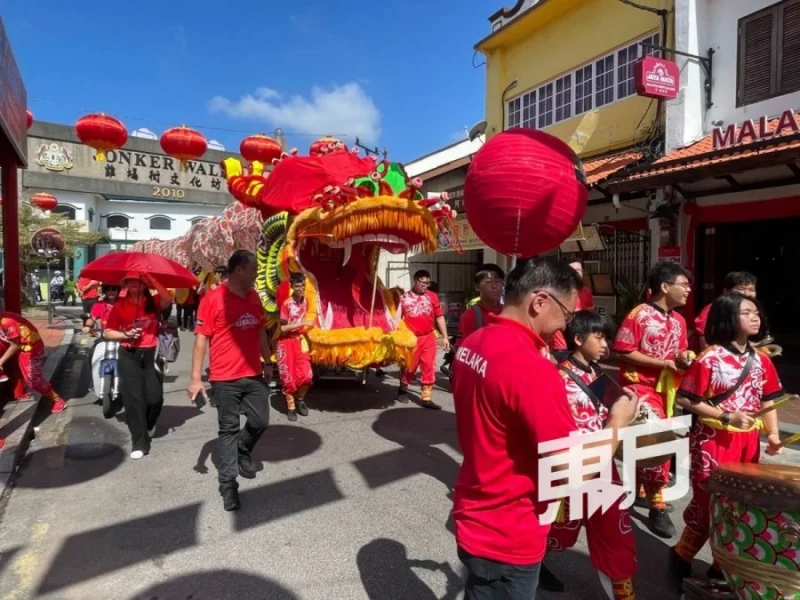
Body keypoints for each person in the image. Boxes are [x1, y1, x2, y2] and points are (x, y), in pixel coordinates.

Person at [451, 257, 641, 600]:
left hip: (477, 507)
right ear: (539, 301)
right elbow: (569, 468)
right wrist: (617, 422)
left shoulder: (473, 343)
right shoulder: (531, 369)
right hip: (510, 529)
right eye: (566, 315)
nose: (565, 327)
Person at [669, 293, 784, 591]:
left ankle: (721, 566)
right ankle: (682, 554)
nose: (755, 317)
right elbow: (685, 397)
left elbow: (770, 400)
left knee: (738, 504)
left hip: (747, 444)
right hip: (712, 441)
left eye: (756, 312)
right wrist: (727, 417)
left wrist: (772, 435)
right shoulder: (710, 358)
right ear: (728, 318)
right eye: (747, 312)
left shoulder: (761, 360)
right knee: (710, 503)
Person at [543, 311, 637, 600]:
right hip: (569, 467)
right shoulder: (555, 378)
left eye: (606, 337)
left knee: (615, 531)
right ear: (578, 338)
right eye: (599, 336)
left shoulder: (598, 376)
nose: (605, 343)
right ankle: (526, 564)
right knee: (556, 530)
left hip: (603, 465)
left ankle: (624, 593)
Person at [612, 261, 692, 538]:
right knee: (656, 442)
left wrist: (683, 359)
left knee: (646, 443)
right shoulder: (640, 314)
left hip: (667, 389)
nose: (689, 290)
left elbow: (680, 351)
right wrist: (662, 364)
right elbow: (622, 350)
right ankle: (657, 504)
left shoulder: (680, 320)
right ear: (665, 286)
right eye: (684, 285)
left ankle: (637, 491)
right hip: (640, 388)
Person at [189, 250, 271, 512]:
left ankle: (243, 450)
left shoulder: (254, 296)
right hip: (225, 378)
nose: (257, 274)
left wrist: (268, 362)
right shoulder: (213, 299)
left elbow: (259, 329)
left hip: (254, 374)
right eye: (254, 269)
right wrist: (195, 378)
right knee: (228, 430)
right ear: (239, 270)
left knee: (260, 421)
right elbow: (201, 337)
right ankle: (228, 486)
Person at [104, 273, 173, 460]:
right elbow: (108, 332)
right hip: (128, 355)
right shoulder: (119, 305)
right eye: (129, 281)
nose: (133, 283)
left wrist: (152, 279)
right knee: (134, 401)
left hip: (152, 353)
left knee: (154, 398)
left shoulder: (155, 302)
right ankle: (140, 442)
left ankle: (149, 424)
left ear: (144, 284)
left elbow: (168, 298)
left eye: (138, 280)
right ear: (124, 284)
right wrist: (125, 335)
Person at [398, 270, 450, 409]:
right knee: (409, 367)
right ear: (415, 281)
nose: (425, 286)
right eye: (423, 282)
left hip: (428, 337)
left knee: (428, 366)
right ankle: (403, 389)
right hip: (411, 339)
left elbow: (439, 317)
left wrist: (445, 337)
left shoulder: (433, 297)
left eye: (428, 283)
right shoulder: (403, 298)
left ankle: (426, 397)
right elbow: (397, 320)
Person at [0, 312, 66, 412]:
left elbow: (15, 345)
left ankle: (57, 400)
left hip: (31, 348)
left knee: (33, 380)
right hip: (21, 348)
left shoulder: (7, 321)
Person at [276, 272, 315, 422]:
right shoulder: (287, 304)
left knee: (306, 375)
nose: (301, 288)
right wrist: (303, 324)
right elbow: (283, 329)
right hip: (286, 343)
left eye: (303, 285)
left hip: (301, 342)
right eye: (298, 285)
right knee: (289, 378)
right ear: (292, 286)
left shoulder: (307, 302)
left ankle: (300, 399)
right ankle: (291, 407)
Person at [694, 271, 757, 350]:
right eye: (741, 289)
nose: (747, 294)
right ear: (726, 291)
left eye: (751, 289)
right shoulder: (714, 308)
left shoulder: (754, 309)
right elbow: (705, 343)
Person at [551, 260, 595, 360]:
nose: (575, 273)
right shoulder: (557, 291)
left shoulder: (586, 292)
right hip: (561, 345)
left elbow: (589, 316)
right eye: (572, 270)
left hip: (580, 343)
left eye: (578, 270)